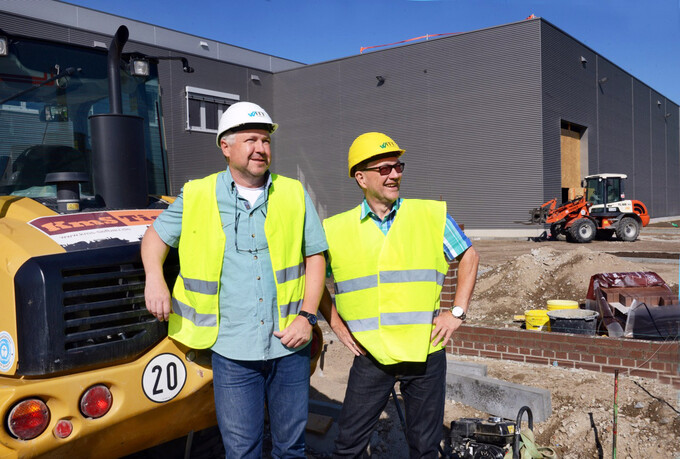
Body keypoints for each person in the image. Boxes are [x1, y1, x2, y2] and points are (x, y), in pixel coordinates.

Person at [141, 101, 327, 458]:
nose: (261, 149)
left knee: (292, 448)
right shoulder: (197, 194)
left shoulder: (292, 193)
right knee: (242, 451)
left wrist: (307, 317)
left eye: (266, 141)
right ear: (225, 147)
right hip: (231, 350)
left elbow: (314, 257)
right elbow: (155, 237)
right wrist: (155, 279)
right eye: (250, 140)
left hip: (290, 345)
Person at [319, 132, 480, 458]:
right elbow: (313, 281)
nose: (394, 175)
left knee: (424, 448)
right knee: (347, 446)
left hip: (426, 353)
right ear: (360, 178)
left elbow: (469, 257)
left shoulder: (429, 216)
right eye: (384, 169)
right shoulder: (334, 229)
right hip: (371, 356)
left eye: (397, 166)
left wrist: (457, 312)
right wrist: (335, 324)